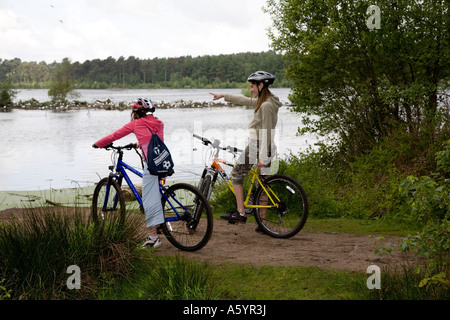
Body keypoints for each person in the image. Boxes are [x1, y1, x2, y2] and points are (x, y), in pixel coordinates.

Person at [210, 71, 282, 225]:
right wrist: (224, 95)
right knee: (262, 183)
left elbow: (267, 132)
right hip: (265, 146)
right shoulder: (266, 101)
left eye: (252, 86)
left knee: (236, 175)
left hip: (259, 145)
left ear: (261, 85)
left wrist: (262, 157)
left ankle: (240, 212)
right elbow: (244, 100)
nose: (250, 89)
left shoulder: (266, 105)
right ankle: (262, 223)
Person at [92, 98, 164, 249]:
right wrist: (141, 142)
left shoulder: (136, 124)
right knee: (155, 193)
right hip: (163, 162)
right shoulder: (158, 123)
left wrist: (98, 143)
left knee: (148, 199)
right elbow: (158, 141)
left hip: (151, 165)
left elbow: (115, 136)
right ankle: (160, 224)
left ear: (137, 112)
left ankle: (153, 237)